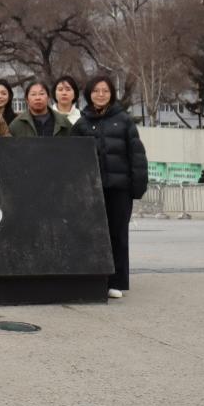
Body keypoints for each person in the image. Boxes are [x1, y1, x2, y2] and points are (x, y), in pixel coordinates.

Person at [71, 74, 148, 299]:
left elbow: (137, 156)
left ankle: (117, 281)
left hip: (119, 188)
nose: (100, 94)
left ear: (112, 94)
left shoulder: (123, 121)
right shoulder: (81, 123)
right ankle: (96, 278)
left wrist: (137, 187)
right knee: (93, 235)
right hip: (92, 190)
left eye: (105, 91)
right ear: (89, 95)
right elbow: (72, 159)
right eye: (96, 91)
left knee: (118, 234)